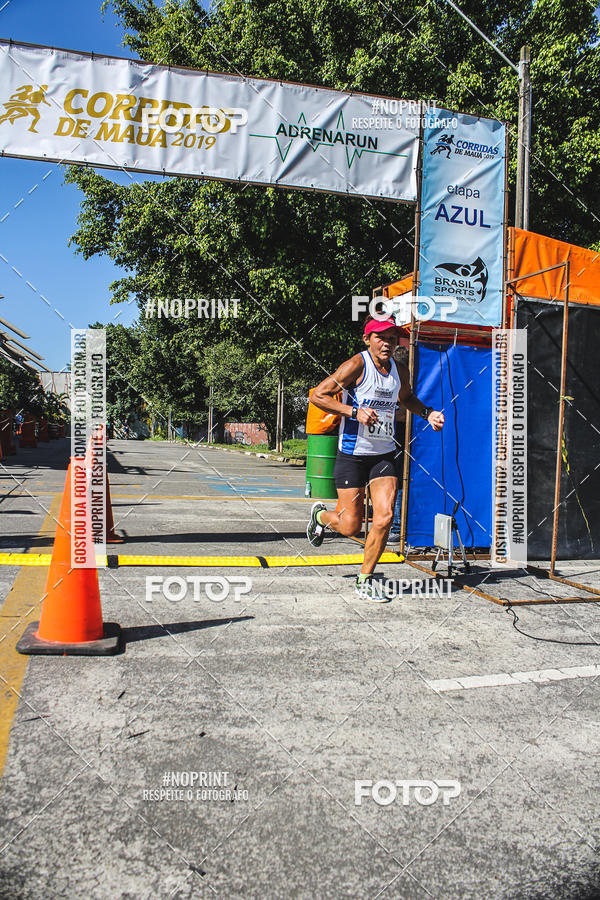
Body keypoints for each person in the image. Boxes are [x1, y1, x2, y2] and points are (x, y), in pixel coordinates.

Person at [306, 317, 445, 600]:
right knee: (350, 526)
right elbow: (318, 396)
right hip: (352, 456)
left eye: (393, 338)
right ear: (367, 339)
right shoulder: (356, 365)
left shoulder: (400, 370)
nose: (388, 343)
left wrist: (427, 412)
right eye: (381, 337)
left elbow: (406, 398)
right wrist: (352, 412)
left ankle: (365, 579)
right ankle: (320, 516)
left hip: (383, 455)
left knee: (385, 517)